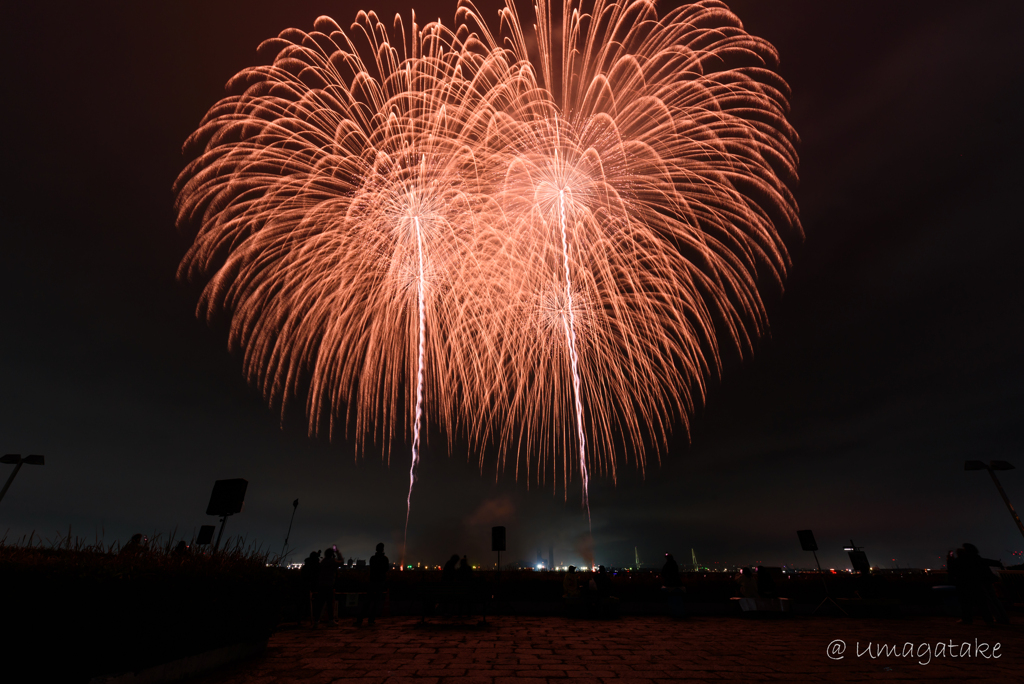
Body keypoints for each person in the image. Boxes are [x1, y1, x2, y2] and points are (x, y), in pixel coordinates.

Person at [356, 542, 389, 626]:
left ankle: (360, 619)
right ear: (383, 549)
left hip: (372, 581)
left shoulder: (373, 558)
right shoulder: (385, 559)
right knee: (376, 603)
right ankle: (371, 619)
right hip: (380, 582)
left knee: (367, 601)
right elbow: (386, 569)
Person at [313, 548, 340, 627]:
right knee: (329, 604)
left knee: (320, 604)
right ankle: (331, 620)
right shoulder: (332, 562)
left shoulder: (323, 562)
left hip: (321, 585)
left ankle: (316, 621)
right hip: (329, 585)